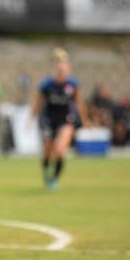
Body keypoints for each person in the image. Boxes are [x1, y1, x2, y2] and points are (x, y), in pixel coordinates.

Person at [28, 48, 90, 190]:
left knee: (60, 150)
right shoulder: (47, 84)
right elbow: (37, 102)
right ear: (55, 69)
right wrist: (30, 119)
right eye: (59, 68)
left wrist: (85, 120)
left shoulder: (73, 84)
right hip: (48, 119)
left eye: (65, 67)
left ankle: (54, 179)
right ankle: (46, 170)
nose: (62, 70)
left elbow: (79, 103)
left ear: (69, 69)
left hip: (66, 119)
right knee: (48, 151)